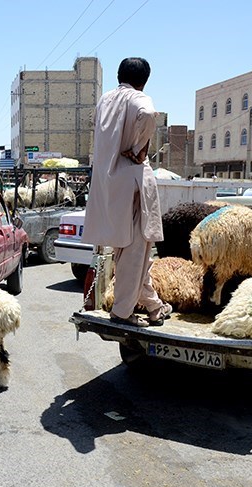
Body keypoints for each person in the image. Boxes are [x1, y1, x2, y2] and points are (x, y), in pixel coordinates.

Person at [80, 57, 172, 328]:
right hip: (132, 181)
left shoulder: (105, 100)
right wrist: (140, 146)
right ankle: (122, 312)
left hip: (109, 185)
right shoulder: (138, 99)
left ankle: (155, 307)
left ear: (119, 75)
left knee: (133, 256)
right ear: (143, 81)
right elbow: (148, 114)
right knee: (135, 254)